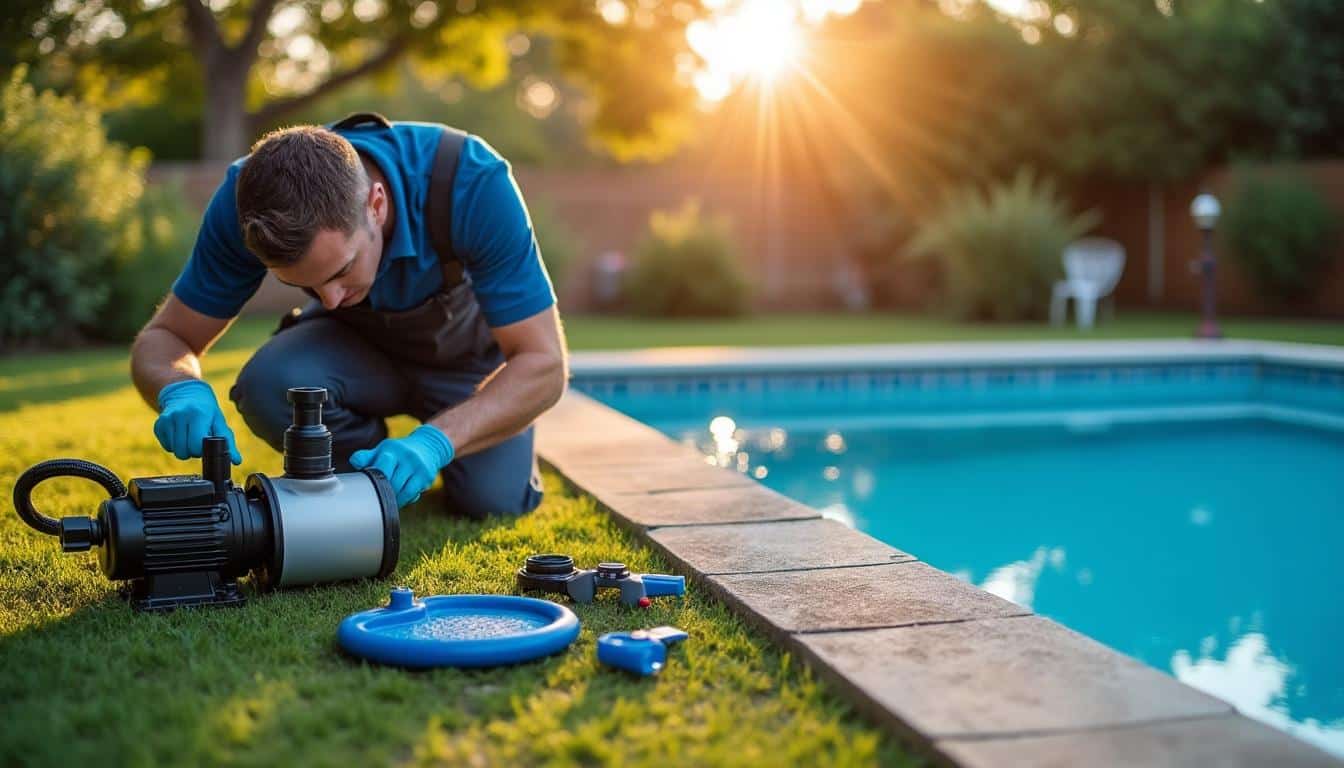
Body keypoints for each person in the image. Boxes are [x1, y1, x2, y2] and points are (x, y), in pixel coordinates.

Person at [129, 114, 567, 517]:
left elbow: (544, 364)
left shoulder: (470, 180)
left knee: (493, 499)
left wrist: (435, 443)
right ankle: (366, 478)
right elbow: (166, 336)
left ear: (375, 205)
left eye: (342, 271)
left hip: (464, 365)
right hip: (352, 357)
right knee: (269, 384)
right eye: (306, 286)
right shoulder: (248, 204)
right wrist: (178, 389)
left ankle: (423, 463)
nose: (332, 299)